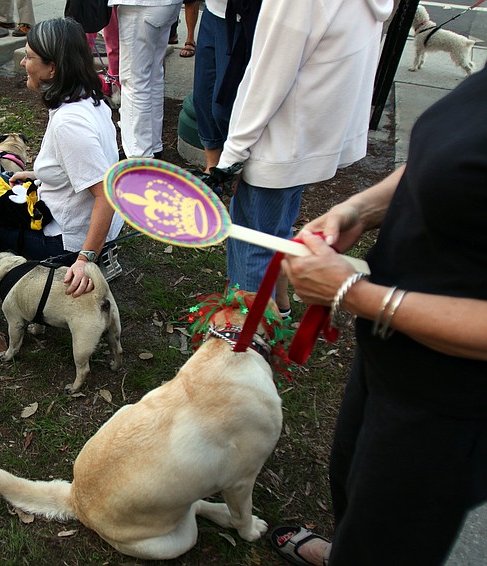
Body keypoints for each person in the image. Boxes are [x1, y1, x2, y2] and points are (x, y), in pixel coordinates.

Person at [273, 67, 487, 566]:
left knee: (394, 536)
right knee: (353, 484)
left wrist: (355, 292)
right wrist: (358, 210)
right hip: (389, 355)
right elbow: (438, 157)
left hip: (449, 402)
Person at [214, 0, 392, 314]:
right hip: (310, 131)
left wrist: (232, 156)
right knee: (276, 233)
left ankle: (248, 344)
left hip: (277, 138)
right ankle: (277, 311)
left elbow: (268, 74)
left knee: (255, 248)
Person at [0, 17, 124, 297]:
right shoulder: (88, 98)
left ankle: (32, 269)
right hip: (80, 220)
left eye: (29, 56)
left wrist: (85, 259)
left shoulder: (69, 124)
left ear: (52, 68)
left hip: (71, 240)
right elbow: (87, 167)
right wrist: (36, 176)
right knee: (3, 184)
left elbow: (105, 195)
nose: (23, 62)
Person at [109, 0, 182, 159]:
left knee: (134, 81)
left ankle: (139, 155)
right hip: (166, 6)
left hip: (141, 6)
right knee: (153, 75)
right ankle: (153, 146)